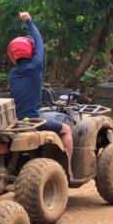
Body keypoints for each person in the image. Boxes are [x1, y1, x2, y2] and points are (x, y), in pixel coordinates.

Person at [8, 12, 73, 174]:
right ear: (29, 52)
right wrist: (28, 21)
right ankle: (68, 170)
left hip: (16, 120)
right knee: (66, 129)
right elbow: (40, 43)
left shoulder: (13, 74)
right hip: (33, 118)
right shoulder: (35, 67)